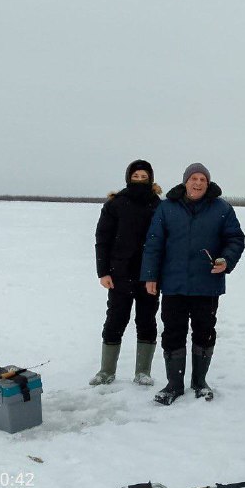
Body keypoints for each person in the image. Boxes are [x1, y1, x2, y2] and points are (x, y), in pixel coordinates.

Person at [141, 163, 245, 405]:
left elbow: (235, 239)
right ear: (185, 181)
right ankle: (173, 385)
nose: (198, 183)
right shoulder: (167, 208)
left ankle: (200, 382)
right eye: (194, 179)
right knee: (172, 333)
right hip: (174, 284)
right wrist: (150, 276)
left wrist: (226, 261)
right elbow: (154, 243)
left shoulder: (222, 209)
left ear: (208, 184)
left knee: (204, 333)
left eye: (203, 180)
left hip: (206, 285)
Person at [92, 160, 162, 386]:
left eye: (144, 177)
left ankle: (143, 371)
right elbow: (102, 239)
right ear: (128, 178)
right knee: (115, 320)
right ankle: (106, 371)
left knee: (146, 320)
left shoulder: (158, 206)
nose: (140, 181)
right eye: (136, 177)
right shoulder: (116, 204)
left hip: (149, 275)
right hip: (119, 274)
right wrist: (103, 272)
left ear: (150, 179)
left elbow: (164, 241)